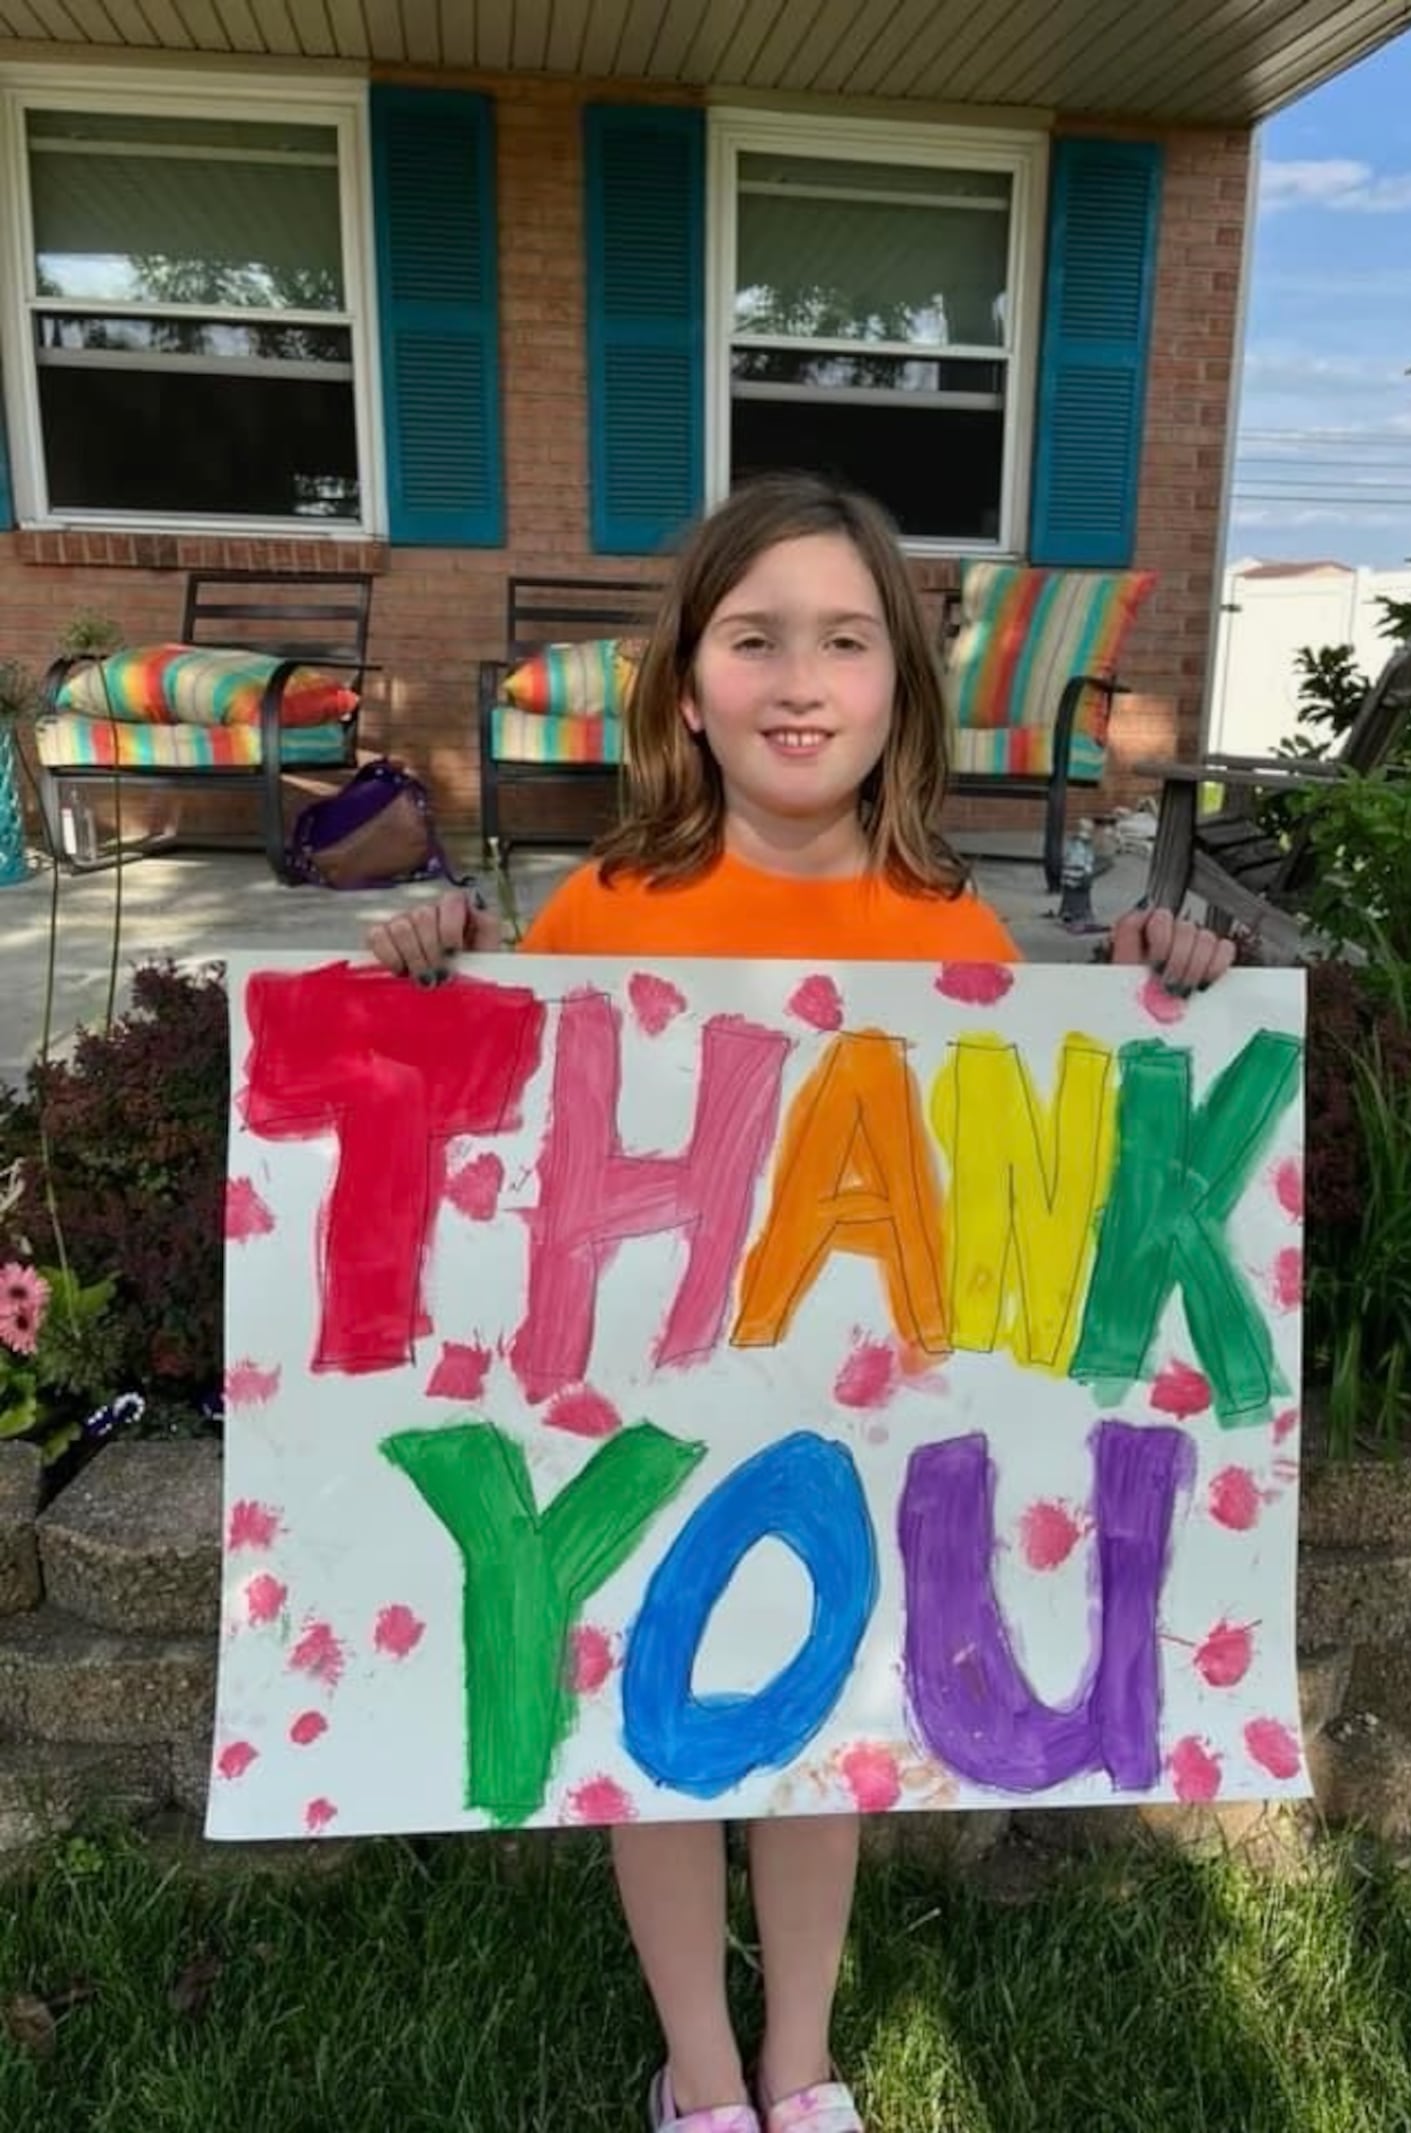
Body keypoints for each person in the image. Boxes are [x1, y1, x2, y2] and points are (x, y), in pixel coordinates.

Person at [367, 474, 1236, 2133]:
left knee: (819, 1719)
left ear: (899, 687)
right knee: (656, 1725)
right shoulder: (599, 916)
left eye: (844, 640)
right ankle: (698, 2067)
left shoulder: (949, 928)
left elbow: (1015, 1153)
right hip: (640, 1418)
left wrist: (1157, 993)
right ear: (687, 684)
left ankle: (800, 2058)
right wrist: (441, 966)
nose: (799, 681)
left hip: (840, 1423)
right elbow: (511, 1132)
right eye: (754, 638)